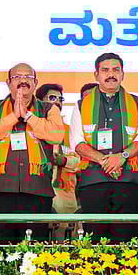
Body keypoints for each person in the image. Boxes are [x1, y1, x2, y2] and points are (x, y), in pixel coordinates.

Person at [0, 64, 65, 240]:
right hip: (1, 190)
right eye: (17, 77)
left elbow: (56, 135)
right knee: (0, 250)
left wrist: (28, 116)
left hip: (37, 190)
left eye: (28, 77)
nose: (23, 80)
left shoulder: (48, 108)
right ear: (8, 82)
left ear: (35, 83)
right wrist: (13, 117)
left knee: (34, 251)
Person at [70, 53, 138, 243]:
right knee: (95, 239)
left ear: (123, 74)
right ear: (96, 74)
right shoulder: (81, 105)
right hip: (93, 181)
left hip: (127, 180)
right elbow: (76, 142)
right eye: (105, 70)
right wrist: (103, 160)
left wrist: (121, 156)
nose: (111, 74)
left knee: (125, 239)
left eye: (116, 70)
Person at [36, 83, 81, 238]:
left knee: (66, 248)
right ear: (39, 101)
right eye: (52, 98)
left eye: (61, 99)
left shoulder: (71, 131)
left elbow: (81, 162)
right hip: (37, 191)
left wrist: (63, 161)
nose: (58, 102)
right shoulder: (32, 129)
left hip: (65, 196)